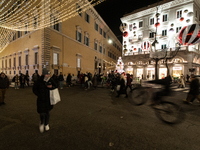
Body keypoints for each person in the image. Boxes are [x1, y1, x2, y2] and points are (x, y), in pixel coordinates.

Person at [32, 68, 57, 133]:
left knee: (48, 112)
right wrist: (39, 94)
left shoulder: (51, 80)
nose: (48, 75)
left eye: (48, 74)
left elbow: (56, 86)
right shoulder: (39, 81)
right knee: (42, 113)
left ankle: (46, 124)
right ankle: (42, 123)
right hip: (41, 100)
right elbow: (34, 89)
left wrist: (51, 87)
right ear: (43, 74)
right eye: (46, 74)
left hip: (49, 99)